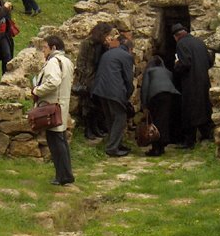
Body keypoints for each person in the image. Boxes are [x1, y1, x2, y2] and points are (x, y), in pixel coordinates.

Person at [31, 35, 75, 186]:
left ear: (53, 48)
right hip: (61, 104)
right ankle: (65, 174)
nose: (43, 51)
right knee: (61, 141)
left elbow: (53, 81)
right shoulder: (67, 61)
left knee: (56, 143)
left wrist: (37, 90)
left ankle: (63, 176)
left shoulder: (53, 62)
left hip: (52, 107)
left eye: (45, 47)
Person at [91, 28, 135, 157]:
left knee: (111, 118)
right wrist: (127, 94)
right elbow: (128, 78)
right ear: (129, 49)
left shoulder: (108, 53)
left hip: (100, 90)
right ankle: (112, 147)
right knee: (120, 118)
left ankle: (116, 143)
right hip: (114, 90)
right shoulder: (126, 56)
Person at [172, 22, 215, 148]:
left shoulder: (181, 43)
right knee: (204, 108)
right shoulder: (200, 42)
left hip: (190, 82)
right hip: (204, 81)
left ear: (176, 36)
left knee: (189, 111)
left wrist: (176, 65)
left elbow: (185, 63)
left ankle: (189, 141)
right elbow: (210, 61)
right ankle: (207, 135)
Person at [73, 21, 113, 140]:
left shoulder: (102, 45)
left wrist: (108, 47)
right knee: (88, 105)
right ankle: (88, 129)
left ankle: (96, 127)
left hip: (98, 77)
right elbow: (81, 61)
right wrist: (84, 78)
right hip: (88, 78)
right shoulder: (87, 43)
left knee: (97, 104)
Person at [139, 55, 180, 157]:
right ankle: (161, 146)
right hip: (170, 96)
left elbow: (145, 88)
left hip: (156, 96)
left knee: (156, 122)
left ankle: (156, 148)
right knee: (164, 120)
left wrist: (144, 105)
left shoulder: (149, 71)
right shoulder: (168, 72)